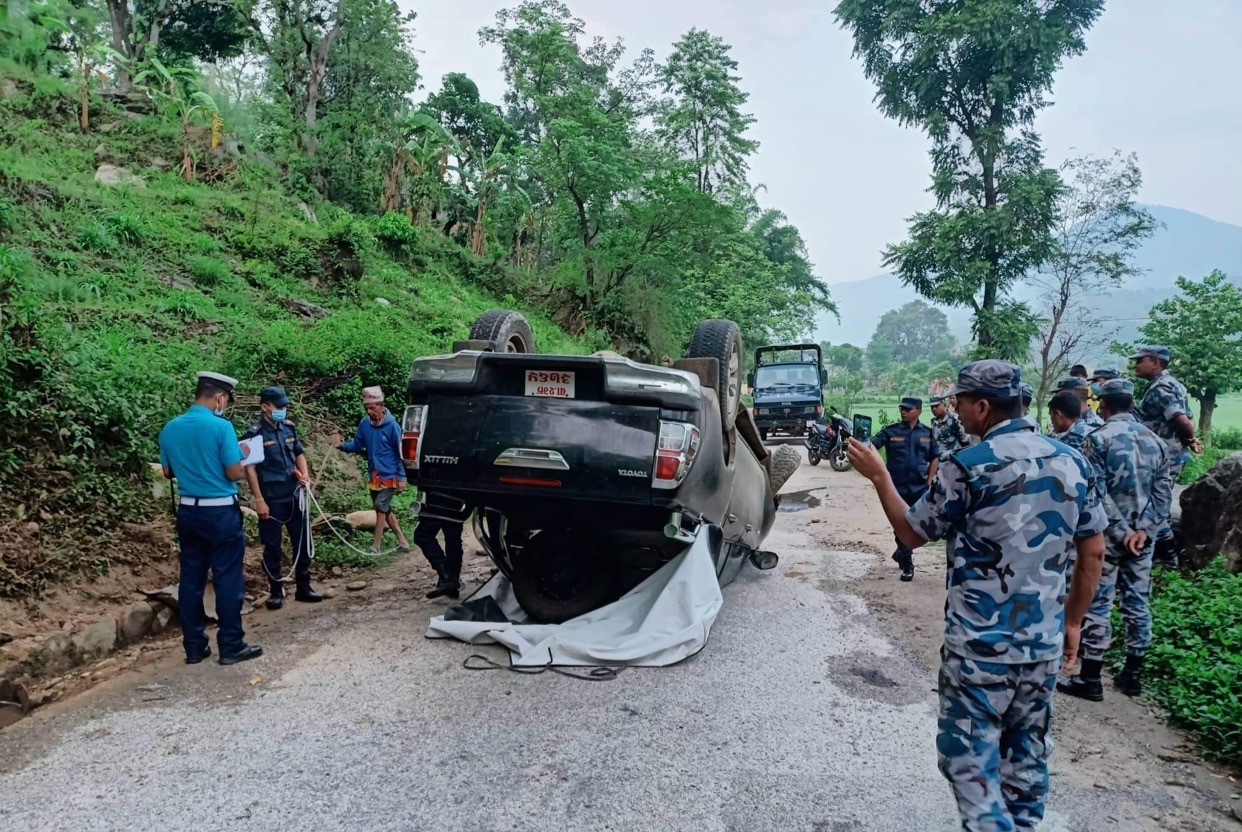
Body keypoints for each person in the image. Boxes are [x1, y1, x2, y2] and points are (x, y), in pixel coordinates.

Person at [847, 361, 1106, 832]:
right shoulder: (1073, 462)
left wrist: (880, 478)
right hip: (1042, 646)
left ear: (983, 406)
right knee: (1026, 763)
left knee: (967, 760)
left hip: (979, 649)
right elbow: (1093, 553)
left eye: (962, 402)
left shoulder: (967, 466)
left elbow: (911, 532)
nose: (957, 411)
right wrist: (1073, 623)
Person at [1059, 379, 1171, 700]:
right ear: (1131, 404)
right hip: (1142, 540)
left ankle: (1091, 676)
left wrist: (1121, 532)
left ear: (1103, 405)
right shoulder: (1156, 441)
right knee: (1137, 602)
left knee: (1099, 601)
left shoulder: (1096, 440)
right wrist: (1143, 531)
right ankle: (1133, 673)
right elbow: (1162, 496)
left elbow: (1096, 492)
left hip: (1107, 536)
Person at [158, 372, 263, 666]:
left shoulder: (170, 428)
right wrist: (242, 455)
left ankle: (194, 647)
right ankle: (230, 644)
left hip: (188, 512)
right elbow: (233, 472)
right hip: (219, 512)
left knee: (191, 579)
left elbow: (168, 473)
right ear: (219, 397)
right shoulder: (221, 427)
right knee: (227, 577)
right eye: (225, 400)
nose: (225, 405)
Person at [242, 386, 323, 611]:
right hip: (272, 498)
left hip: (295, 494)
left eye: (285, 406)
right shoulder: (254, 434)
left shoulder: (289, 427)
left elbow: (299, 453)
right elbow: (250, 470)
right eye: (279, 407)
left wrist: (305, 474)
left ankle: (304, 587)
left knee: (302, 542)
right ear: (265, 407)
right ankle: (276, 591)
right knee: (272, 546)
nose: (283, 410)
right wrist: (258, 500)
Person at [1130, 345, 1202, 566]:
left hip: (1163, 456)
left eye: (1140, 360)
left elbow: (1180, 418)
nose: (1136, 364)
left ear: (1155, 362)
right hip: (1167, 453)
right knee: (1157, 501)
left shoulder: (1161, 387)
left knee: (1155, 503)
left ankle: (1167, 555)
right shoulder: (1172, 384)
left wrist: (1189, 439)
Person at [330, 386, 411, 554]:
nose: (369, 412)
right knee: (384, 509)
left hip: (390, 474)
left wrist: (402, 477)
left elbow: (399, 452)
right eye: (367, 408)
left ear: (381, 406)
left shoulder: (392, 426)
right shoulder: (365, 424)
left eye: (373, 408)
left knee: (380, 505)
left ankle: (376, 546)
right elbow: (357, 445)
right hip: (374, 474)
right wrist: (341, 446)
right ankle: (403, 541)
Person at [869, 396, 938, 582]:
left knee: (917, 525)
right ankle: (907, 563)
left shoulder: (928, 433)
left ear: (918, 411)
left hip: (919, 486)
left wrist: (931, 480)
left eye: (908, 409)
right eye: (902, 409)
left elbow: (935, 457)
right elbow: (871, 447)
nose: (904, 412)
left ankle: (901, 552)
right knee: (900, 524)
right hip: (896, 486)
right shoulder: (891, 431)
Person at [414, 515, 465, 599]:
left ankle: (448, 578)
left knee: (422, 535)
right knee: (453, 539)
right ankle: (452, 583)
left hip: (437, 505)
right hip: (459, 506)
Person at [930, 395, 970, 463]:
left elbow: (966, 442)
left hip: (954, 460)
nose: (933, 409)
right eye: (932, 407)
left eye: (936, 406)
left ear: (944, 404)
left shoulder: (955, 419)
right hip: (938, 461)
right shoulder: (933, 422)